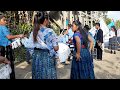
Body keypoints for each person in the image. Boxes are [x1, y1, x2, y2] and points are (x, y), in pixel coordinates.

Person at [30, 12, 59, 79]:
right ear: (45, 20)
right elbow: (56, 48)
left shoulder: (34, 31)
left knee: (38, 75)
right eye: (48, 19)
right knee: (47, 75)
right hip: (47, 57)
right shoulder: (50, 31)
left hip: (36, 57)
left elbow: (30, 47)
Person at [0, 13, 24, 79]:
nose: (5, 21)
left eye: (6, 20)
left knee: (3, 65)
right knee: (9, 64)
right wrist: (19, 35)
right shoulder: (3, 27)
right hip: (7, 48)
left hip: (2, 48)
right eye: (4, 20)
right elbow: (9, 37)